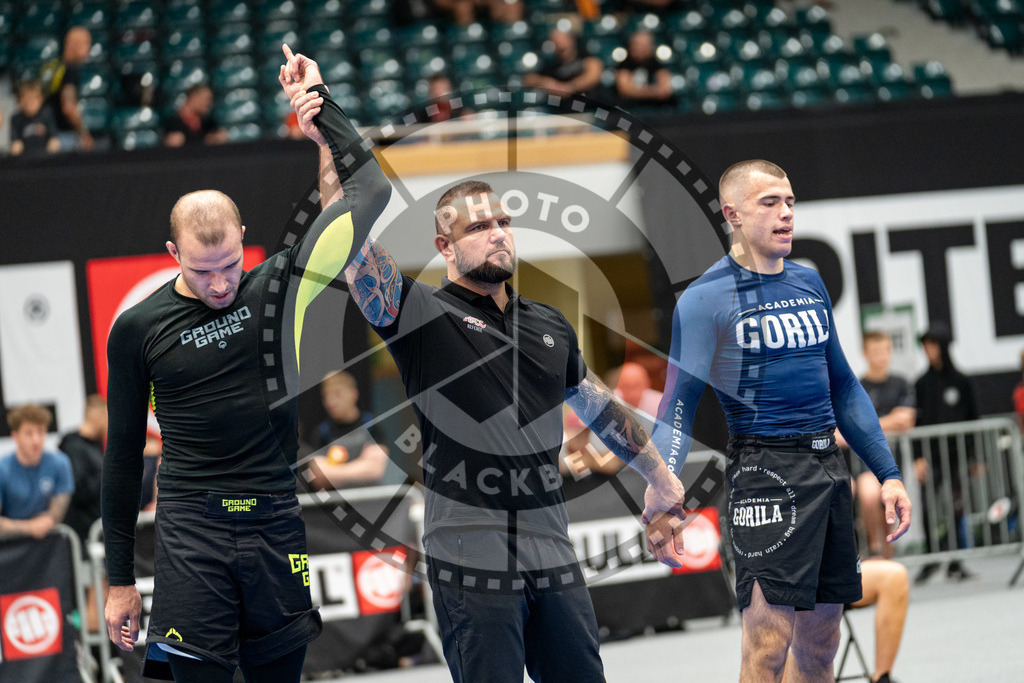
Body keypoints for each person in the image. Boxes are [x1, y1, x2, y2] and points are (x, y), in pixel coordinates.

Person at [289, 52, 686, 682]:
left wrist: (659, 479)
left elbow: (599, 408)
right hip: (468, 552)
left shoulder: (549, 324)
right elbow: (349, 236)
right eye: (479, 227)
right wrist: (324, 130)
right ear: (444, 247)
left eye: (504, 221)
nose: (498, 232)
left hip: (551, 547)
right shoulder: (418, 313)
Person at [101, 44, 391, 682]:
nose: (220, 284)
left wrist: (320, 108)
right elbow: (121, 455)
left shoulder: (280, 285)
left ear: (243, 239)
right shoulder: (137, 328)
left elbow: (372, 190)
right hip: (191, 528)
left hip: (274, 519)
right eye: (201, 271)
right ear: (173, 253)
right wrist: (119, 580)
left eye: (230, 265)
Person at [649, 159, 911, 681]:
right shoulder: (704, 299)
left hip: (828, 468)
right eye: (769, 202)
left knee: (821, 644)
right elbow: (677, 403)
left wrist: (888, 473)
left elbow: (844, 386)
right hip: (763, 471)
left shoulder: (809, 282)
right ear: (732, 214)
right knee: (768, 642)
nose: (786, 212)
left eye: (790, 201)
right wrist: (663, 491)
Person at [837, 330, 915, 559]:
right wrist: (889, 422)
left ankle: (887, 552)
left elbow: (906, 420)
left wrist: (864, 427)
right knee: (870, 496)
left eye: (885, 351)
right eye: (876, 351)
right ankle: (875, 548)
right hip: (864, 462)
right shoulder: (856, 387)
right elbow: (842, 431)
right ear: (865, 353)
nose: (881, 356)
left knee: (887, 501)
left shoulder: (901, 383)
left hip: (893, 461)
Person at [912, 322, 978, 584]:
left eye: (933, 345)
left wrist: (974, 458)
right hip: (932, 457)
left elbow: (973, 419)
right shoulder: (921, 383)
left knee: (956, 507)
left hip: (957, 456)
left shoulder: (960, 381)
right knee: (928, 506)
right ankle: (932, 557)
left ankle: (956, 561)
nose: (929, 350)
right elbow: (917, 423)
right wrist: (918, 457)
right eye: (925, 345)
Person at [302, 370, 389, 489]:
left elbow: (374, 471)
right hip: (336, 500)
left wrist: (332, 473)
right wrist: (362, 466)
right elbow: (317, 477)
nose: (331, 402)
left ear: (353, 394)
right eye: (326, 396)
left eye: (338, 394)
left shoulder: (371, 424)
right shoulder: (322, 431)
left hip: (370, 498)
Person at [0, 404, 73, 538]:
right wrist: (29, 527)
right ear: (15, 436)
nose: (36, 440)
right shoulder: (3, 469)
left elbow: (57, 512)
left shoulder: (60, 463)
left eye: (40, 432)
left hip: (48, 539)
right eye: (29, 433)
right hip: (10, 544)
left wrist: (46, 522)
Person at [59, 394, 108, 544]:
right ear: (97, 418)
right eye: (107, 419)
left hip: (97, 529)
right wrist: (109, 473)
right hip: (84, 534)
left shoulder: (94, 446)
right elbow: (79, 491)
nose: (109, 426)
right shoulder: (73, 447)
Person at [40, 25, 94, 151]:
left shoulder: (55, 66)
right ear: (76, 45)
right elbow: (69, 107)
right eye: (87, 43)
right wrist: (84, 134)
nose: (89, 49)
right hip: (64, 137)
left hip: (49, 135)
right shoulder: (71, 70)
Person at [524, 29, 603, 98]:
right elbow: (529, 79)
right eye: (556, 41)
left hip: (591, 104)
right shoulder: (552, 64)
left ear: (571, 39)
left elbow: (594, 73)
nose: (561, 44)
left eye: (563, 39)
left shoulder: (583, 55)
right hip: (567, 107)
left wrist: (570, 87)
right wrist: (545, 82)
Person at [614, 30, 674, 111]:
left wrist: (638, 91)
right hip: (629, 107)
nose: (639, 48)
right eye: (636, 44)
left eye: (643, 45)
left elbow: (664, 90)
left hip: (655, 108)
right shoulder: (624, 64)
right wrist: (653, 91)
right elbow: (624, 90)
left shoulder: (657, 64)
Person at [163, 83, 228, 147]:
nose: (209, 104)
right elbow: (174, 143)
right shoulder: (173, 123)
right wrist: (208, 140)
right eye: (207, 99)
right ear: (193, 98)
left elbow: (220, 136)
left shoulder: (208, 123)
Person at [9, 79, 60, 157]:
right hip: (24, 159)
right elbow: (16, 144)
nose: (29, 103)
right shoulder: (16, 119)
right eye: (26, 99)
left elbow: (54, 139)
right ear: (19, 101)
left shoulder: (47, 114)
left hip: (45, 157)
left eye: (33, 99)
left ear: (40, 99)